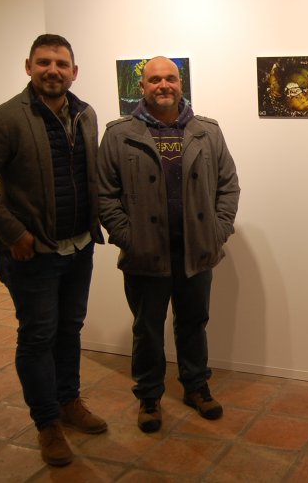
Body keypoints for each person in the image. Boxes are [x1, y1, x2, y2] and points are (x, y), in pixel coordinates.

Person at [0, 34, 107, 467]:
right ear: (28, 67)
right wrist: (13, 233)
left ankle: (69, 401)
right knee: (38, 337)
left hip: (79, 248)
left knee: (70, 330)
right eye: (44, 62)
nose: (53, 70)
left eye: (62, 64)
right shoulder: (4, 118)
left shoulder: (86, 114)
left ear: (74, 72)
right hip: (32, 255)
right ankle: (47, 424)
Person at [97, 56, 240, 433]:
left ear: (181, 84)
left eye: (171, 79)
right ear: (141, 87)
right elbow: (105, 194)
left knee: (194, 323)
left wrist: (219, 229)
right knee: (147, 328)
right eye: (155, 79)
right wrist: (127, 237)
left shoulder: (207, 131)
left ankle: (196, 386)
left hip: (196, 251)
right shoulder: (118, 134)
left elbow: (229, 185)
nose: (164, 85)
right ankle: (149, 396)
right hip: (145, 255)